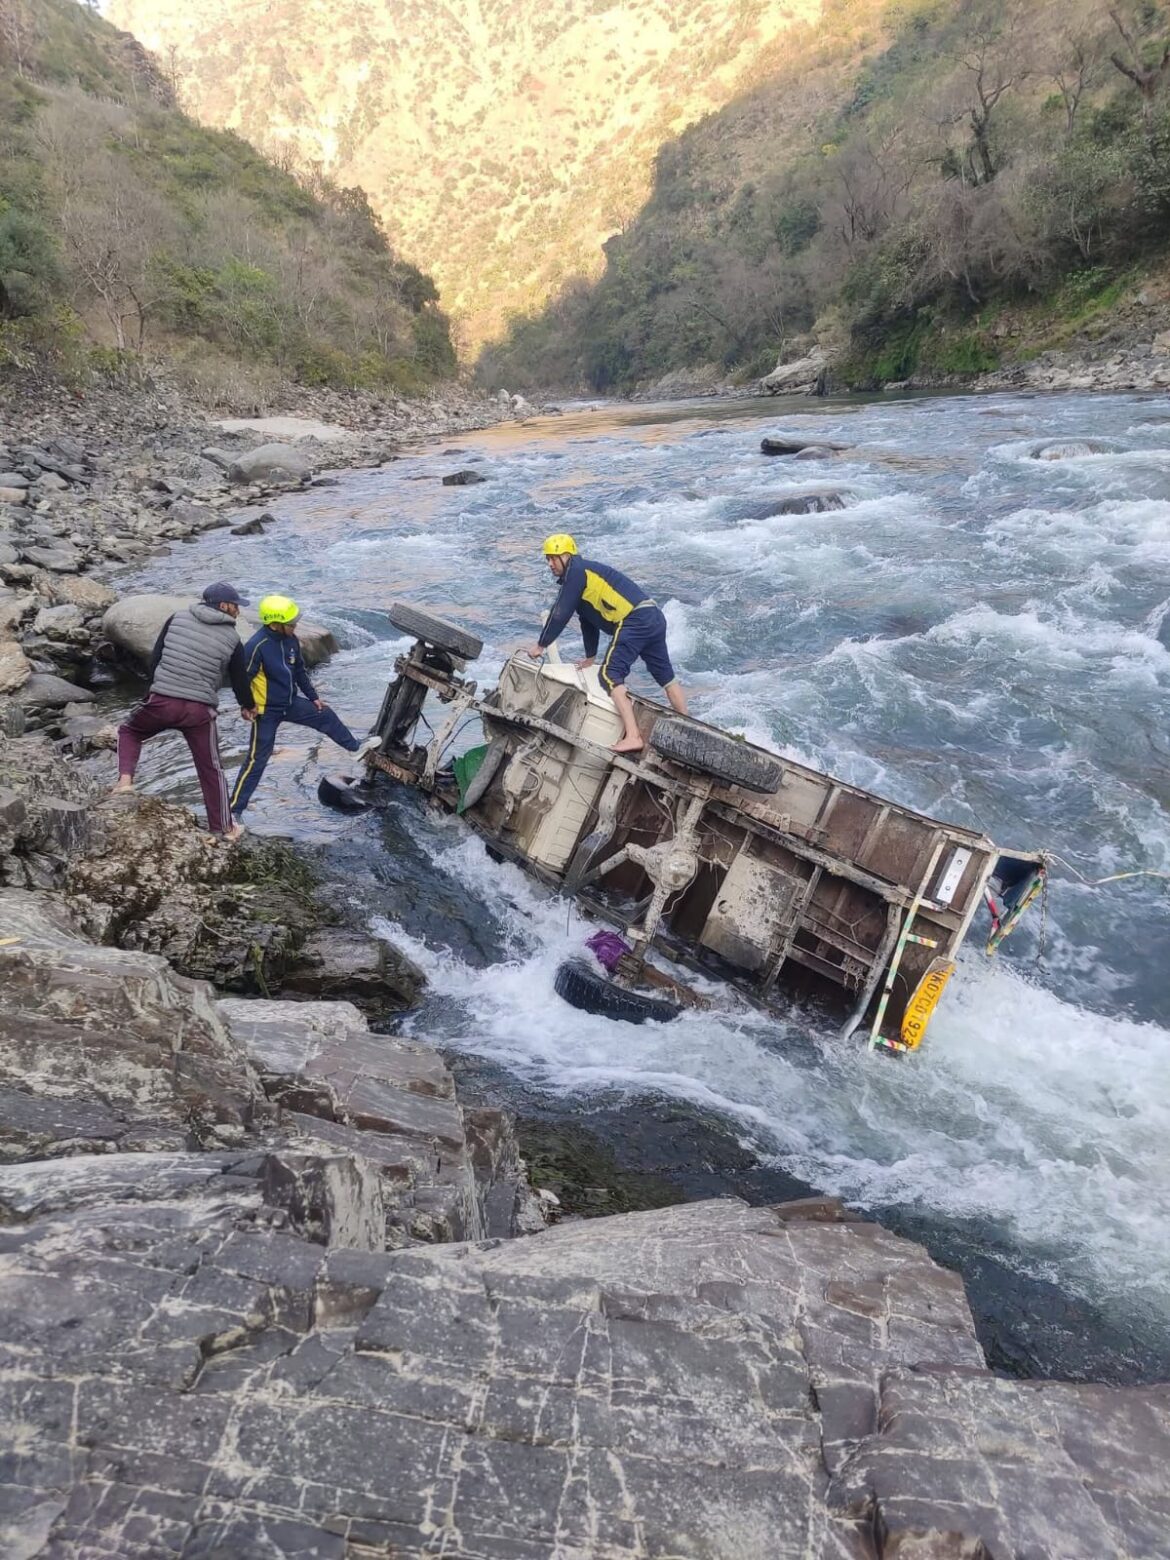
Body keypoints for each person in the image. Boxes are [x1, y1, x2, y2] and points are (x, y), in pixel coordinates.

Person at [114, 582, 254, 842]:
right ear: (223, 606)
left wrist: (153, 692)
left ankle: (124, 782)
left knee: (129, 731)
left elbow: (156, 658)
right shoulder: (233, 638)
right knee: (210, 768)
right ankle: (223, 828)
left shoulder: (177, 618)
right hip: (198, 711)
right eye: (236, 606)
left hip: (162, 700)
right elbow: (239, 679)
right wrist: (247, 706)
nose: (238, 611)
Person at [526, 533, 687, 753]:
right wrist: (591, 656)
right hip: (652, 616)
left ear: (566, 555)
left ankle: (633, 737)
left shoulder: (577, 572)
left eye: (553, 558)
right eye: (547, 559)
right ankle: (688, 729)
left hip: (635, 619)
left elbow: (560, 612)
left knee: (610, 675)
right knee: (666, 677)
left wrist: (541, 645)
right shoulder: (583, 577)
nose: (550, 564)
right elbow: (587, 622)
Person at [229, 594, 378, 816]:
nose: (295, 625)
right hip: (265, 712)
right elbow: (243, 679)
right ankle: (234, 810)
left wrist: (312, 697)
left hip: (290, 704)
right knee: (256, 760)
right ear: (275, 623)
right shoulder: (256, 646)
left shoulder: (290, 641)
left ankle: (355, 748)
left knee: (324, 714)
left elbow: (299, 671)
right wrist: (246, 705)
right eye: (291, 623)